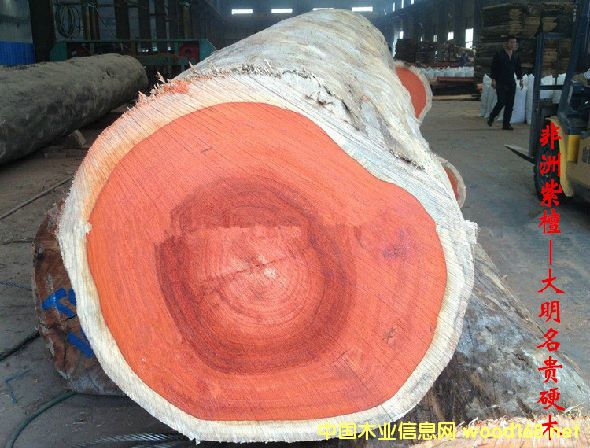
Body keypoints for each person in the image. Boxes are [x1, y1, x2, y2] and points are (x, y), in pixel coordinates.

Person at [487, 35, 524, 130]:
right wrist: (493, 80)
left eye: (514, 42)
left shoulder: (516, 55)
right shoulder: (499, 54)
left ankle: (506, 124)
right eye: (511, 42)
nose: (513, 44)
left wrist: (520, 79)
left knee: (510, 104)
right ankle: (492, 116)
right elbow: (494, 67)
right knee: (501, 101)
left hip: (511, 82)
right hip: (500, 82)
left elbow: (518, 68)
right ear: (506, 43)